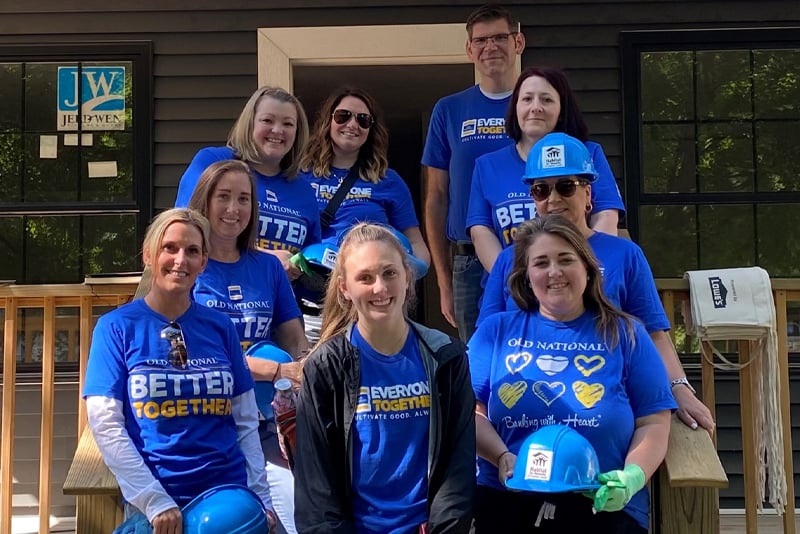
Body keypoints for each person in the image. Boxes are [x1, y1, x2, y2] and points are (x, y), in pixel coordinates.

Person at [478, 132, 715, 432]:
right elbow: (487, 343)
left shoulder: (624, 254)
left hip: (604, 410)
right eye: (541, 189)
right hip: (519, 423)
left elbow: (653, 333)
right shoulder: (509, 259)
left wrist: (679, 387)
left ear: (588, 194)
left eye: (566, 187)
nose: (553, 199)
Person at [469, 214, 675, 533]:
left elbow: (654, 421)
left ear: (588, 269)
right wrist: (501, 455)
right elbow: (469, 412)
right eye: (540, 263)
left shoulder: (628, 334)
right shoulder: (495, 332)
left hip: (603, 500)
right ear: (526, 275)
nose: (554, 272)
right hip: (509, 497)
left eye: (566, 259)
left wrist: (632, 477)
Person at [83, 208, 275, 533]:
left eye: (192, 251)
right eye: (169, 247)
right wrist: (153, 500)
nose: (180, 259)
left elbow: (244, 422)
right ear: (148, 254)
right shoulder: (116, 328)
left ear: (203, 262)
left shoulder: (221, 327)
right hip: (158, 501)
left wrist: (262, 498)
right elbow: (106, 425)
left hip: (228, 500)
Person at [293, 223, 475, 533]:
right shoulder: (325, 367)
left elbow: (457, 471)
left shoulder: (447, 357)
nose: (380, 288)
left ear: (408, 277)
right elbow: (316, 491)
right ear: (344, 289)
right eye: (365, 277)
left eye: (389, 273)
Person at [188, 160, 307, 533]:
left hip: (267, 421)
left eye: (243, 199)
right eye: (223, 197)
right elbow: (199, 353)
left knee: (292, 513)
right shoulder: (187, 267)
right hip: (209, 418)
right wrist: (275, 370)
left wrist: (303, 367)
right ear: (204, 203)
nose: (233, 209)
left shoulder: (268, 267)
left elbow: (294, 337)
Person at [422, 4, 525, 342]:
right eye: (480, 40)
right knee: (477, 367)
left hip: (530, 251)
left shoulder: (537, 104)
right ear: (469, 50)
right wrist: (443, 278)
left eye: (499, 37)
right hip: (467, 261)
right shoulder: (449, 109)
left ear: (518, 43)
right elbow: (437, 196)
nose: (490, 47)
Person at [297, 87, 430, 341]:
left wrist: (408, 271)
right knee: (307, 374)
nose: (352, 124)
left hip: (365, 303)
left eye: (362, 119)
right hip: (308, 300)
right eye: (343, 116)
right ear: (328, 121)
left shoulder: (387, 180)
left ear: (371, 129)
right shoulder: (299, 175)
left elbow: (415, 243)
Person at [466, 66, 624, 273]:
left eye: (547, 100)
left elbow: (606, 217)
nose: (536, 107)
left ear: (561, 110)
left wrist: (586, 274)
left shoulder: (589, 154)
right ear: (515, 108)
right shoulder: (487, 165)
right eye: (527, 99)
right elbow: (481, 231)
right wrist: (513, 280)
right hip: (510, 288)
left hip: (577, 283)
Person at [175, 85, 321, 281]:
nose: (277, 130)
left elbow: (311, 257)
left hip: (279, 303)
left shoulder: (303, 189)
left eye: (288, 124)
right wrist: (264, 258)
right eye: (267, 120)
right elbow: (185, 227)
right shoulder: (212, 161)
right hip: (210, 293)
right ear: (250, 123)